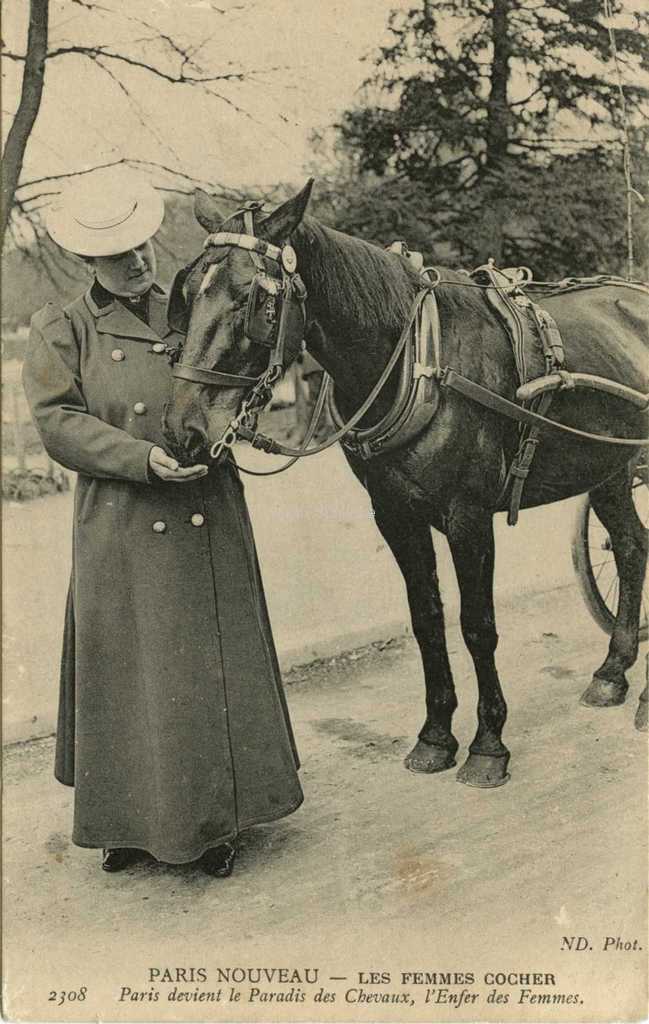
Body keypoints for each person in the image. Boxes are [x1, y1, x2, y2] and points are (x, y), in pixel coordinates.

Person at [22, 173, 303, 877]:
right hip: (122, 514)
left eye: (140, 248)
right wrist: (140, 458)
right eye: (116, 255)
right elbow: (59, 424)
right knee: (131, 670)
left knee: (209, 664)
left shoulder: (189, 300)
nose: (136, 262)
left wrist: (236, 420)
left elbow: (239, 362)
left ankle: (217, 824)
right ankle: (125, 822)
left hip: (207, 503)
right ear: (89, 261)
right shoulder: (62, 326)